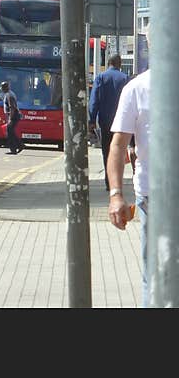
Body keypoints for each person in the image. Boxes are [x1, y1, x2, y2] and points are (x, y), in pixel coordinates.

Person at [106, 25, 150, 306]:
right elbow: (118, 146)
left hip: (150, 195)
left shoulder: (135, 87)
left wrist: (116, 196)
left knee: (154, 276)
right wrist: (116, 194)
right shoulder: (135, 88)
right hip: (152, 197)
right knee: (154, 275)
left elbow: (118, 146)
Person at [88, 53, 130, 191]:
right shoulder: (125, 79)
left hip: (105, 122)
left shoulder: (101, 77)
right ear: (120, 64)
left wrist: (92, 120)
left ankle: (109, 182)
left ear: (108, 63)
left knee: (107, 151)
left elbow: (94, 101)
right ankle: (118, 182)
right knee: (120, 151)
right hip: (122, 122)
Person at [0, 80, 23, 155]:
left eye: (2, 87)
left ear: (5, 88)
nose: (2, 89)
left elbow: (12, 107)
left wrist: (10, 118)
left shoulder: (9, 95)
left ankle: (14, 149)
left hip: (13, 115)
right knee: (11, 131)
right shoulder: (9, 94)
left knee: (10, 132)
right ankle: (19, 145)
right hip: (14, 115)